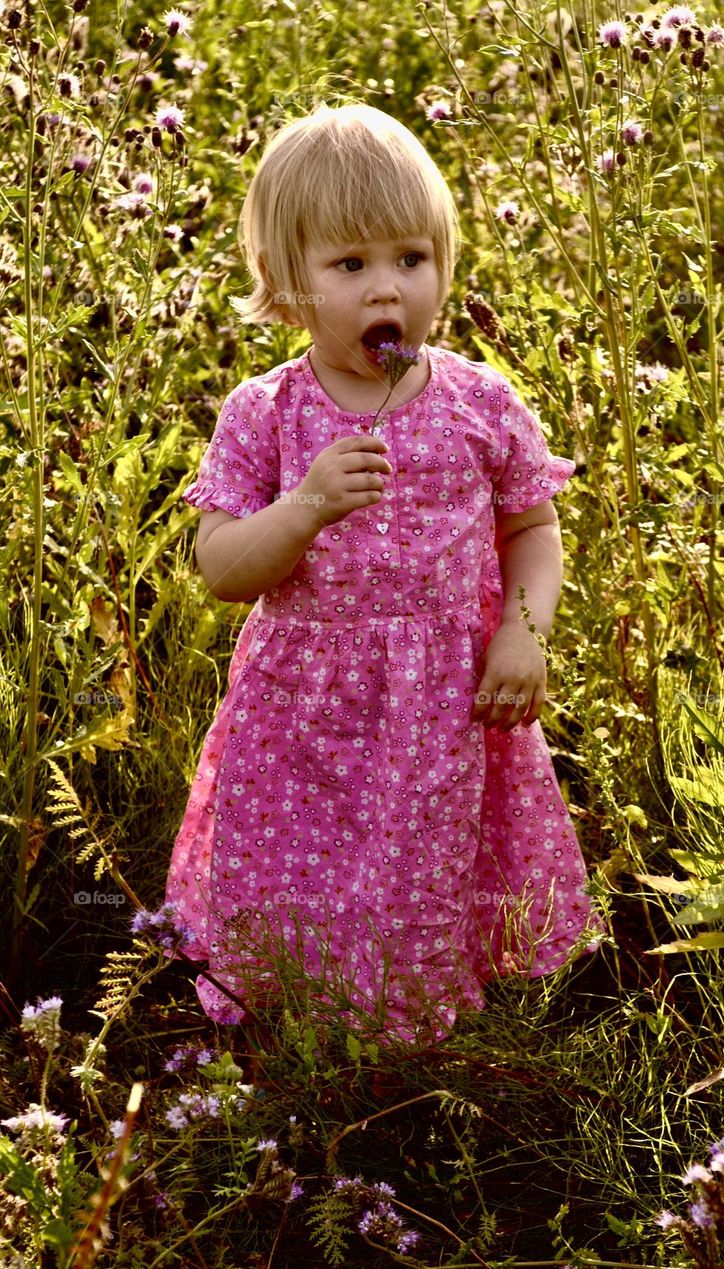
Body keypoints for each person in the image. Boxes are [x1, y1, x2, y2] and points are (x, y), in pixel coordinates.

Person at [164, 102, 601, 1042]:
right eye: (350, 265)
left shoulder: (481, 402)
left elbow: (532, 526)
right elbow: (221, 568)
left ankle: (413, 1046)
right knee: (296, 878)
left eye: (410, 258)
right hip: (303, 707)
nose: (386, 289)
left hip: (438, 698)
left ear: (444, 263)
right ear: (287, 287)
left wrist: (524, 629)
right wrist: (307, 505)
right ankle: (297, 1035)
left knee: (417, 874)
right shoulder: (267, 413)